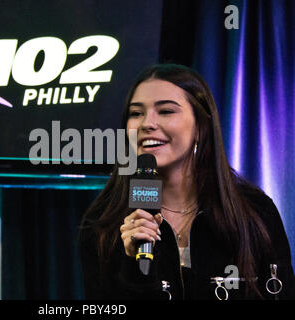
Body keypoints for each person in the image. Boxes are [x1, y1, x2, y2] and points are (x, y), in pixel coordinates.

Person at [79, 64, 295, 300]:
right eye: (136, 113)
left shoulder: (254, 212)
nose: (147, 124)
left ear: (201, 127)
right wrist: (133, 267)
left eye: (166, 111)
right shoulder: (102, 223)